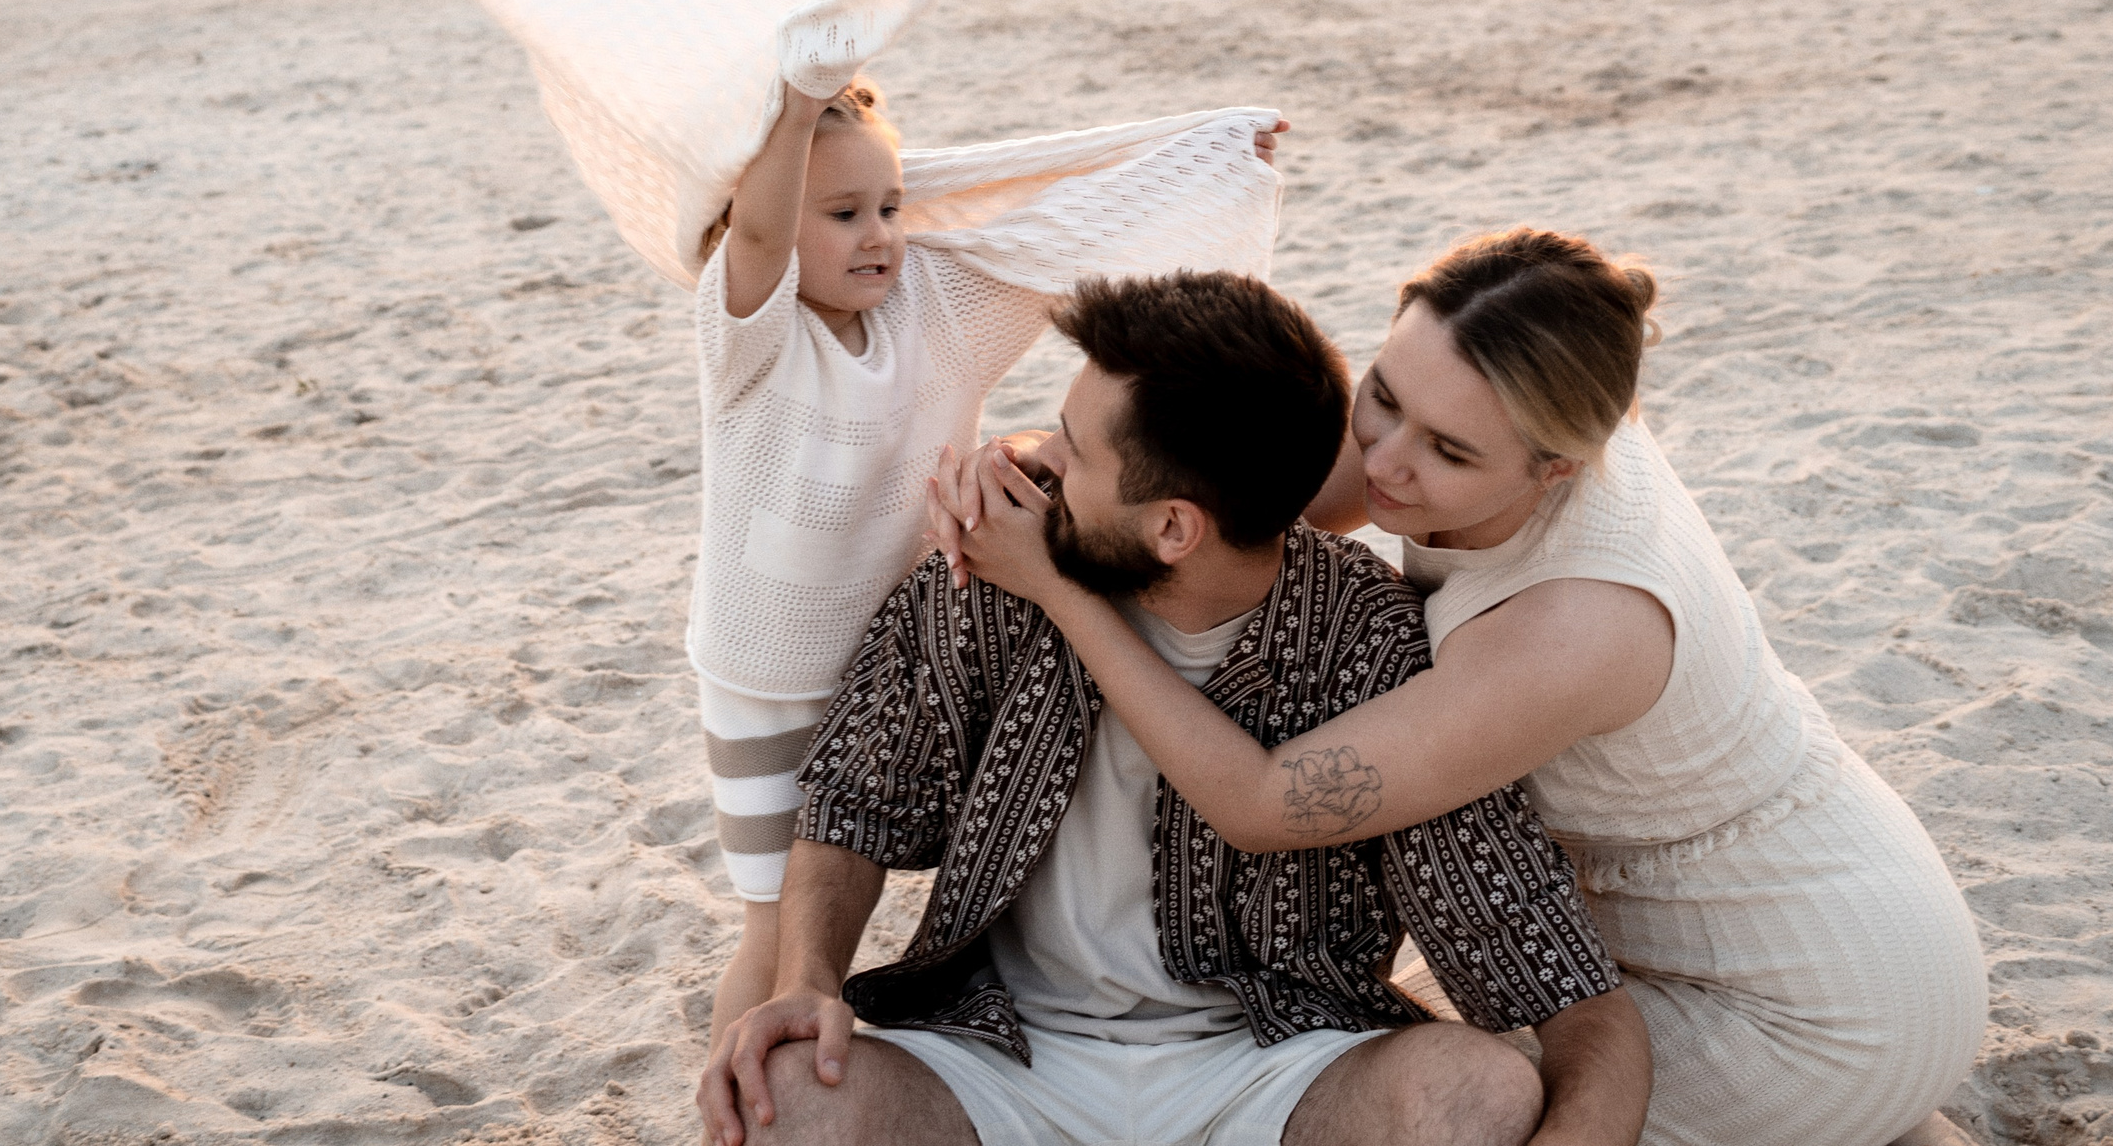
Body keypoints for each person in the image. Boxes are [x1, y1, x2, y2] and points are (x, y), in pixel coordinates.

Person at [936, 229, 1986, 1146]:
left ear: (1556, 469)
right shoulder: (1509, 396)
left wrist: (1062, 592)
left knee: (1477, 1100)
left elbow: (1263, 804)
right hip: (1734, 913)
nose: (1383, 461)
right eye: (1382, 394)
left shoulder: (1575, 622)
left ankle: (1866, 1113)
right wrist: (1058, 456)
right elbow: (1260, 488)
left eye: (1443, 450)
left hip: (1810, 1004)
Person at [701, 270, 1650, 1146]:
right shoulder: (988, 573)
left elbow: (1552, 972)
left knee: (1477, 1090)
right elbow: (855, 804)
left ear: (1172, 526)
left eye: (1072, 452)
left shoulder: (1372, 645)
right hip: (1005, 1054)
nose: (1035, 463)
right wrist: (807, 979)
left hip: (1273, 1064)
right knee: (784, 1098)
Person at [691, 78, 1286, 1052]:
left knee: (857, 903)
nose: (879, 233)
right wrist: (794, 111)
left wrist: (1211, 167)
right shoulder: (753, 338)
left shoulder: (936, 304)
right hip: (767, 689)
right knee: (782, 937)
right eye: (842, 214)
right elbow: (757, 241)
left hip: (903, 674)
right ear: (758, 224)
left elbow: (1068, 242)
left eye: (890, 204)